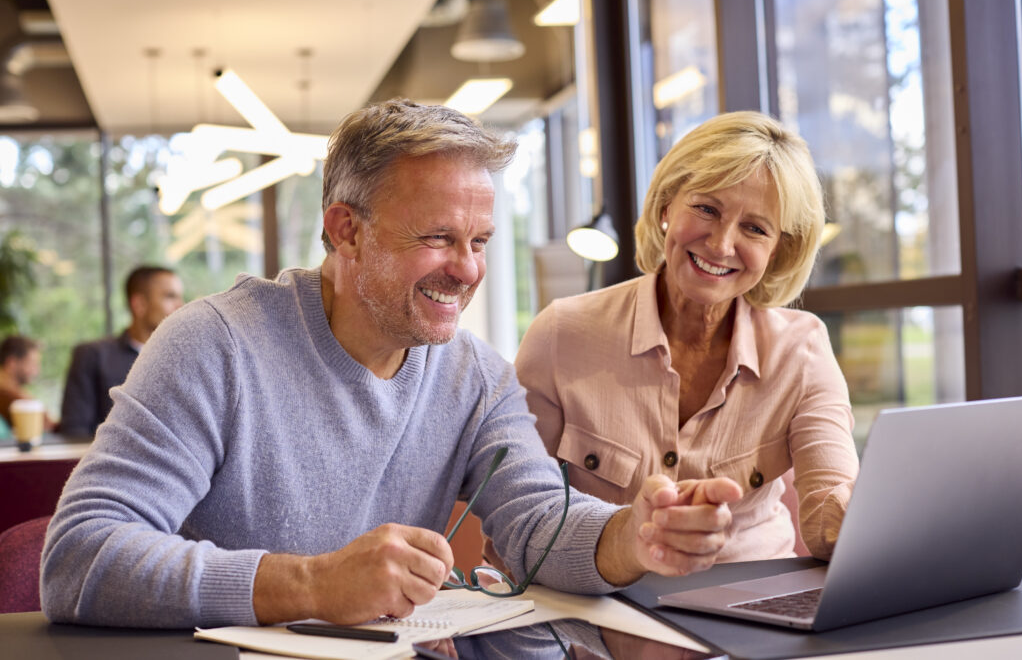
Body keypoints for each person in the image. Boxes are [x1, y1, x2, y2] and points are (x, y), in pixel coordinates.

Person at [41, 99, 743, 630]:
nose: (467, 270)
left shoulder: (476, 375)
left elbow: (537, 526)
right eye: (438, 238)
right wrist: (312, 584)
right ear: (347, 229)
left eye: (480, 240)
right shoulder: (213, 344)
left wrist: (637, 535)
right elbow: (78, 556)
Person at [513, 111, 859, 563]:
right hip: (603, 612)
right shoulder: (563, 334)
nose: (720, 245)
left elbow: (827, 510)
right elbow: (519, 520)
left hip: (751, 612)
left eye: (754, 228)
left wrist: (852, 519)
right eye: (706, 209)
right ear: (665, 208)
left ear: (778, 250)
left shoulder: (804, 349)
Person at [58, 265, 184, 438]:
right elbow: (74, 431)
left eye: (180, 297)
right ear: (139, 304)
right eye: (170, 297)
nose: (181, 306)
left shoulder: (185, 360)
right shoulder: (93, 356)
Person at [0, 334, 56, 431]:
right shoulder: (8, 394)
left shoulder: (14, 393)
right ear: (11, 363)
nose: (37, 371)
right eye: (32, 363)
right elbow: (47, 424)